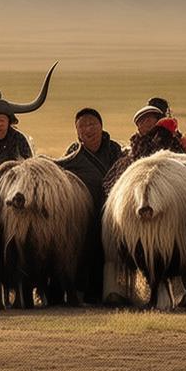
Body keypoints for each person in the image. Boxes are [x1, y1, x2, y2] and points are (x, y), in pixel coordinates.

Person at [60, 108, 125, 304]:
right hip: (83, 213)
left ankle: (112, 293)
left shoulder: (114, 149)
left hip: (112, 211)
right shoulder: (72, 153)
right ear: (77, 132)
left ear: (101, 126)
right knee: (83, 252)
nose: (88, 129)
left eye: (92, 124)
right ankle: (80, 293)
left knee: (110, 253)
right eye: (82, 126)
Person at [102, 105, 186, 192]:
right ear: (138, 128)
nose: (146, 122)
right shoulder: (132, 155)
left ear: (158, 120)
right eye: (141, 121)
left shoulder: (171, 142)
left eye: (149, 119)